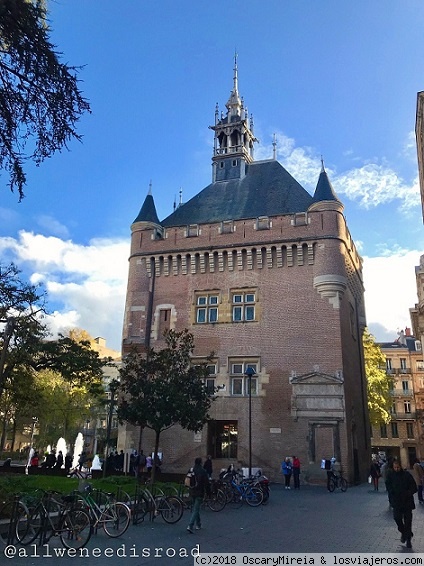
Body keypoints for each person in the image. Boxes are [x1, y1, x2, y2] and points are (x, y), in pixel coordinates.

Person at [385, 459, 417, 548]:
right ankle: (404, 532)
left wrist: (408, 493)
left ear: (400, 466)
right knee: (397, 518)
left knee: (408, 521)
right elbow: (388, 486)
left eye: (398, 467)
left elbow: (414, 486)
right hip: (397, 502)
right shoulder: (390, 476)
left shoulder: (407, 475)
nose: (396, 469)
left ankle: (408, 540)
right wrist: (392, 496)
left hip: (407, 502)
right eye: (395, 467)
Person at [187, 457, 209, 534]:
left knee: (196, 508)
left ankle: (198, 524)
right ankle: (190, 525)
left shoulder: (191, 469)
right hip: (200, 492)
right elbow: (206, 483)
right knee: (196, 509)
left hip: (192, 491)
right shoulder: (203, 471)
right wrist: (208, 492)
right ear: (201, 463)